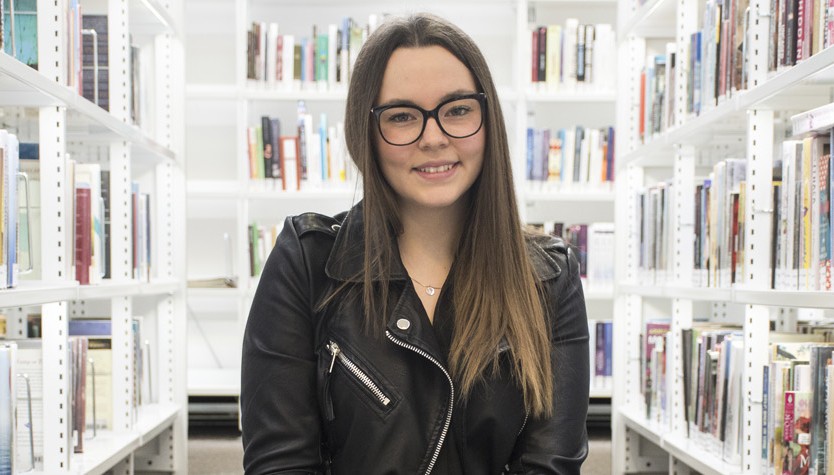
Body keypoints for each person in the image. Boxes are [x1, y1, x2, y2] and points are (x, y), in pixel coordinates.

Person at [241, 13, 590, 474]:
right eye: (402, 117)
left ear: (488, 121)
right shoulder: (306, 263)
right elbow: (280, 464)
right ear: (365, 132)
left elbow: (551, 464)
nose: (434, 138)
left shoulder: (549, 276)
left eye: (458, 110)